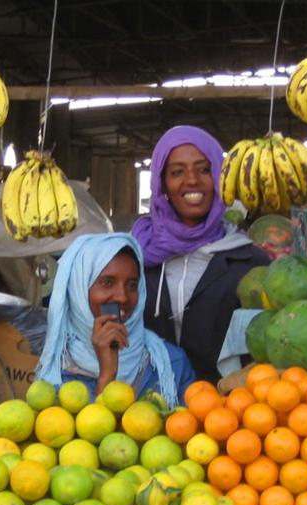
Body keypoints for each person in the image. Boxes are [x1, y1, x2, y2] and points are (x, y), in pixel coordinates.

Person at [132, 125, 271, 382]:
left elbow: (263, 346)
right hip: (144, 408)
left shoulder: (251, 261)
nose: (192, 180)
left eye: (204, 169)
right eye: (177, 172)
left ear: (220, 176)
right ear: (162, 183)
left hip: (227, 411)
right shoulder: (136, 255)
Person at [36, 233, 195, 407]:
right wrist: (107, 375)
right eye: (107, 283)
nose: (122, 297)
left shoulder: (170, 364)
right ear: (79, 290)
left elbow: (191, 427)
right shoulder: (57, 370)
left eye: (132, 285)